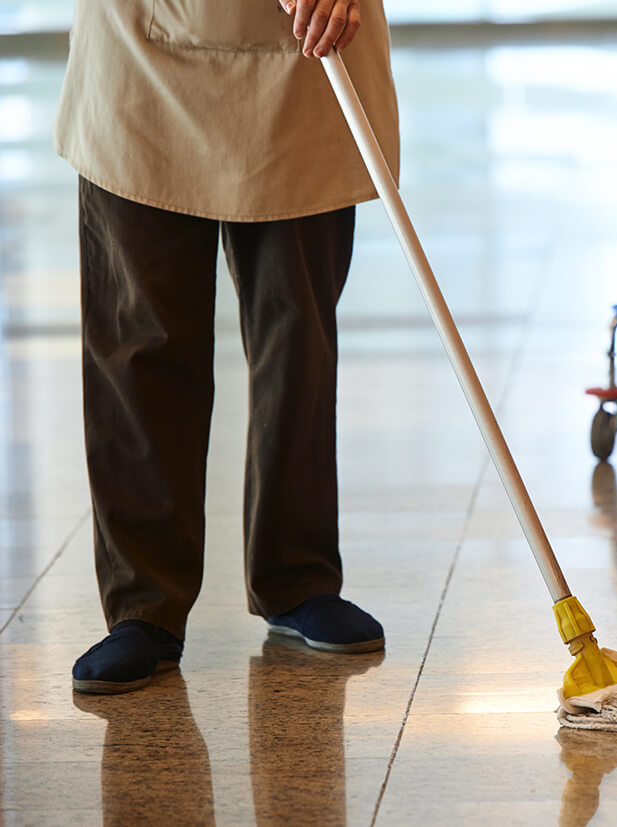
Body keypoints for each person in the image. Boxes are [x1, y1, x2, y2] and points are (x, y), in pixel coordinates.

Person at [54, 0, 401, 694]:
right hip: (141, 52)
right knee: (139, 339)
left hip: (310, 49)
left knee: (297, 331)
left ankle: (298, 577)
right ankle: (142, 605)